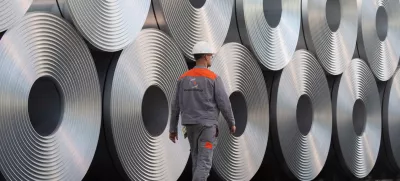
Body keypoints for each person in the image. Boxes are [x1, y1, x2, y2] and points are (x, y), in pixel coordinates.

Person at [169, 41, 236, 181]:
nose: (211, 58)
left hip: (189, 126)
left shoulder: (182, 78)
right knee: (204, 163)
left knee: (197, 160)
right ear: (206, 56)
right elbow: (224, 103)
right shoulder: (213, 78)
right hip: (207, 127)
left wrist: (172, 129)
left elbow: (175, 105)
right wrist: (231, 122)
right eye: (210, 55)